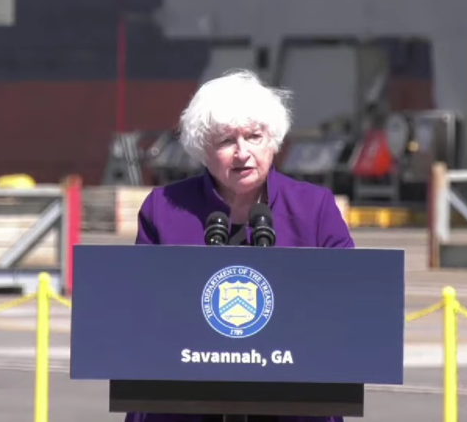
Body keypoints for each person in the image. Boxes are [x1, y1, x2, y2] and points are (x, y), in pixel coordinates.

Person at [126, 69, 355, 422]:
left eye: (254, 137)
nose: (242, 154)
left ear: (273, 141)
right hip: (182, 406)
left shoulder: (314, 208)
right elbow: (139, 310)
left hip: (298, 404)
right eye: (225, 141)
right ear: (203, 149)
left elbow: (348, 301)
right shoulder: (163, 208)